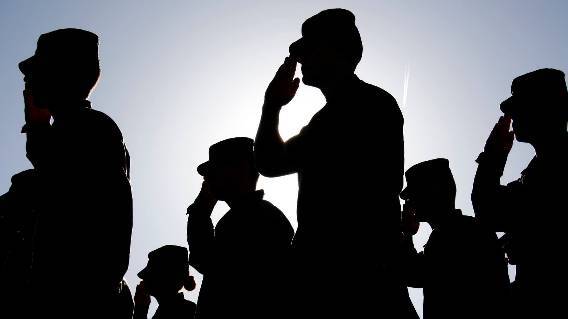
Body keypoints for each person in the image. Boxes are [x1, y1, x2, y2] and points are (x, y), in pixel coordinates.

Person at [255, 8, 409, 318]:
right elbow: (270, 164)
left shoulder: (371, 105)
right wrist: (271, 106)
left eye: (310, 50)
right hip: (331, 280)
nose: (301, 59)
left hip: (359, 283)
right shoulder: (323, 122)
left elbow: (378, 192)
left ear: (335, 51)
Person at [18, 28, 133, 318]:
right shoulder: (81, 127)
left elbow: (58, 179)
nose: (27, 81)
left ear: (60, 74)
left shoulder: (86, 128)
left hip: (77, 301)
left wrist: (36, 126)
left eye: (35, 71)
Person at [472, 68, 568, 317]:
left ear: (543, 108)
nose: (510, 114)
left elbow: (489, 209)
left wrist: (493, 156)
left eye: (519, 106)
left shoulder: (555, 164)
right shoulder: (540, 166)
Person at [187, 137, 293, 319]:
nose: (207, 179)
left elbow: (206, 261)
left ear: (240, 169)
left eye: (215, 170)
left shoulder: (256, 217)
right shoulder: (241, 217)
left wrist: (200, 212)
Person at [400, 158, 510, 319]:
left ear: (431, 193)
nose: (408, 202)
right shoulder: (463, 229)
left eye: (413, 194)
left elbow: (413, 273)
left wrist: (407, 234)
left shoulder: (456, 234)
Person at [134, 245, 196, 319]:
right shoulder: (166, 311)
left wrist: (140, 309)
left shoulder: (186, 311)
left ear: (165, 277)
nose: (143, 278)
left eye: (151, 274)